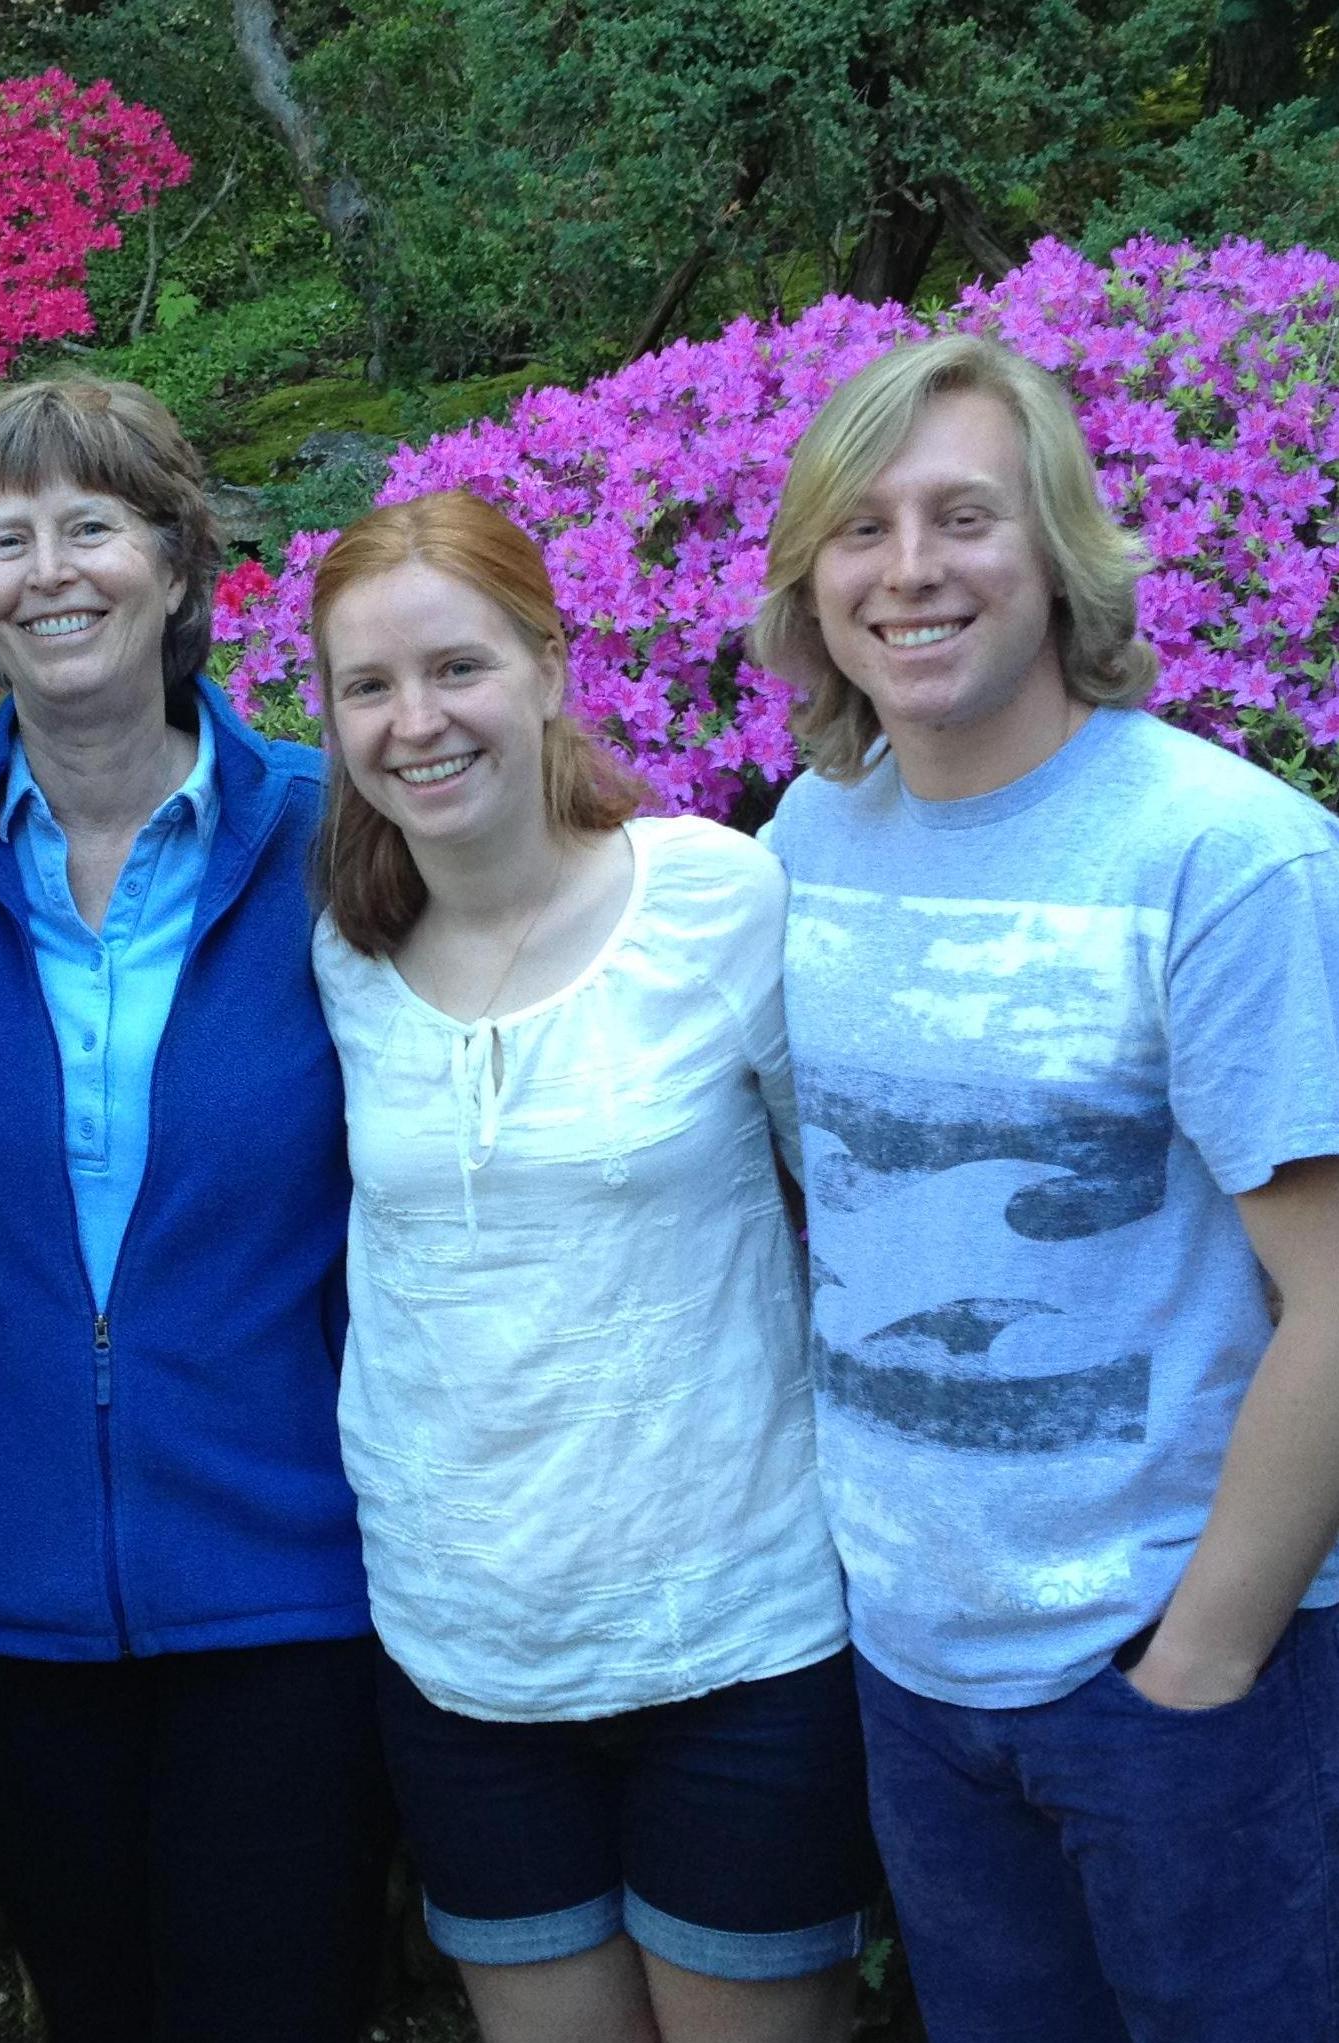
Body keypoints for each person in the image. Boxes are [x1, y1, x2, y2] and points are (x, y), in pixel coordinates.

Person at [751, 333, 1339, 2040]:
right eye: (860, 528)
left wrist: (1201, 1663)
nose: (910, 568)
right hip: (915, 1674)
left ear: (1060, 550)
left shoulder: (1221, 857)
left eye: (963, 517)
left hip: (1173, 1678)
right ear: (813, 578)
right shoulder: (808, 841)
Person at [0, 376, 390, 2043]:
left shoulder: (328, 833)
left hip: (291, 1598)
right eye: (4, 539)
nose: (50, 570)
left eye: (92, 526)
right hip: (6, 1616)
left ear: (182, 566)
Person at [306, 488, 878, 2043]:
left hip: (737, 1639)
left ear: (550, 668)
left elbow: (856, 1210)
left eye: (458, 669)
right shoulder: (344, 955)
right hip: (463, 1652)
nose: (416, 722)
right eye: (369, 686)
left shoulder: (713, 894)